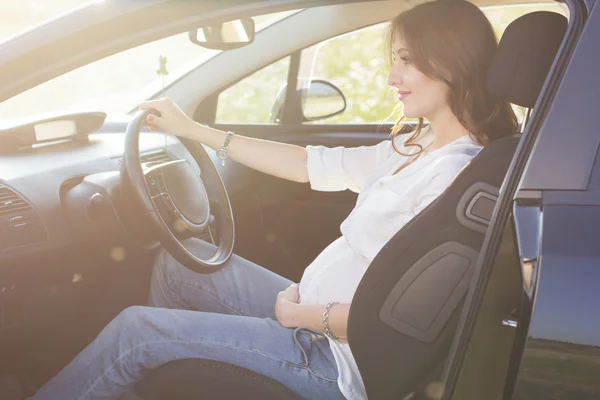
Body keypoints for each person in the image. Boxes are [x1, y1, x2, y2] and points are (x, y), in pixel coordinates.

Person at [29, 0, 517, 399]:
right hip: (311, 314)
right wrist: (194, 131)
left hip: (333, 356)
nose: (393, 76)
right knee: (180, 267)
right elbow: (310, 164)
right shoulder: (416, 146)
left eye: (407, 60)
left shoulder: (453, 175)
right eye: (396, 59)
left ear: (450, 63)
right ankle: (166, 382)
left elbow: (398, 317)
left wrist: (301, 317)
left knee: (137, 331)